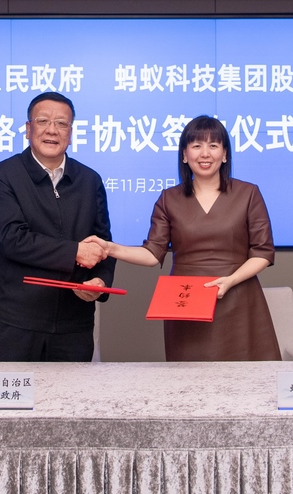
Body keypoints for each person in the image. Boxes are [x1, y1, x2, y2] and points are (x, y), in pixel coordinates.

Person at [85, 115, 280, 361]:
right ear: (185, 155)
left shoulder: (248, 193)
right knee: (189, 379)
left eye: (213, 145)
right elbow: (152, 253)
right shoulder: (169, 198)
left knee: (244, 378)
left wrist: (230, 281)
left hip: (238, 299)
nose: (205, 153)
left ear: (225, 154)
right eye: (196, 145)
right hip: (186, 301)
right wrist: (110, 248)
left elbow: (263, 252)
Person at [0, 92, 116, 362]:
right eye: (43, 121)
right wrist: (74, 252)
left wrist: (100, 282)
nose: (52, 130)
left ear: (71, 132)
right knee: (11, 392)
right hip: (16, 321)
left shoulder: (90, 180)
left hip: (74, 323)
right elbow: (11, 238)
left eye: (61, 123)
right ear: (28, 129)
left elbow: (103, 244)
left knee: (72, 392)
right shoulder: (4, 174)